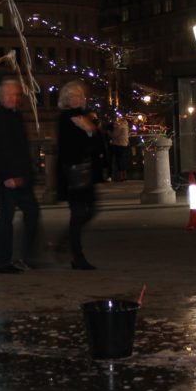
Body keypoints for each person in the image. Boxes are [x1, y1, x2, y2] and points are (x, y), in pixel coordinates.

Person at [0, 78, 40, 274]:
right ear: (1, 97)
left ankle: (22, 257)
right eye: (9, 94)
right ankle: (3, 262)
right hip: (9, 179)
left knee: (31, 214)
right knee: (6, 219)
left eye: (16, 94)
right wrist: (9, 176)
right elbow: (1, 151)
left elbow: (20, 149)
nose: (14, 97)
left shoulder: (16, 116)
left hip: (21, 177)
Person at [56, 80, 99, 270]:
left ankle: (65, 243)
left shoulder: (85, 116)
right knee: (79, 213)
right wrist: (87, 130)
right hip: (74, 175)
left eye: (79, 96)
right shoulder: (66, 118)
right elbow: (69, 148)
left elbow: (98, 143)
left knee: (90, 210)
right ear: (66, 99)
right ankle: (77, 255)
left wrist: (90, 129)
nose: (77, 99)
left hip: (87, 173)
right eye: (72, 96)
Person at [109, 115, 130, 181]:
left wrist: (109, 132)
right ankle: (125, 175)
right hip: (124, 144)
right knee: (123, 160)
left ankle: (121, 176)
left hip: (119, 144)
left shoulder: (120, 126)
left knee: (119, 160)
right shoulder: (126, 126)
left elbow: (114, 134)